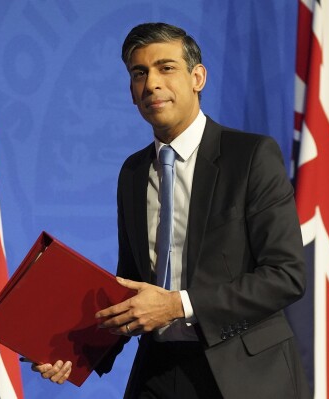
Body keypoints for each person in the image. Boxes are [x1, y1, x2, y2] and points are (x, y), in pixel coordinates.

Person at [33, 22, 311, 398]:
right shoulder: (132, 172)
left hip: (242, 373)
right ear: (131, 93)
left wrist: (179, 305)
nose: (151, 84)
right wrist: (78, 353)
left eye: (166, 68)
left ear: (197, 77)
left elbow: (285, 275)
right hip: (158, 371)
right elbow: (132, 284)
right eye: (139, 73)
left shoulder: (250, 157)